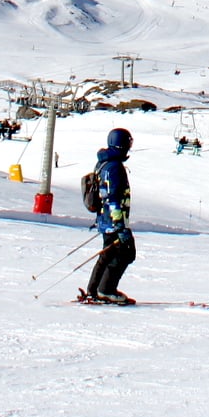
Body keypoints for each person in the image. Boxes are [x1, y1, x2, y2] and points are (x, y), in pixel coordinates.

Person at [84, 128, 137, 305]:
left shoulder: (104, 163)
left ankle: (94, 289)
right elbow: (112, 197)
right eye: (129, 142)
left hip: (105, 218)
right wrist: (119, 225)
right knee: (126, 253)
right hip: (113, 219)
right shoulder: (114, 167)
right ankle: (106, 290)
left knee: (108, 253)